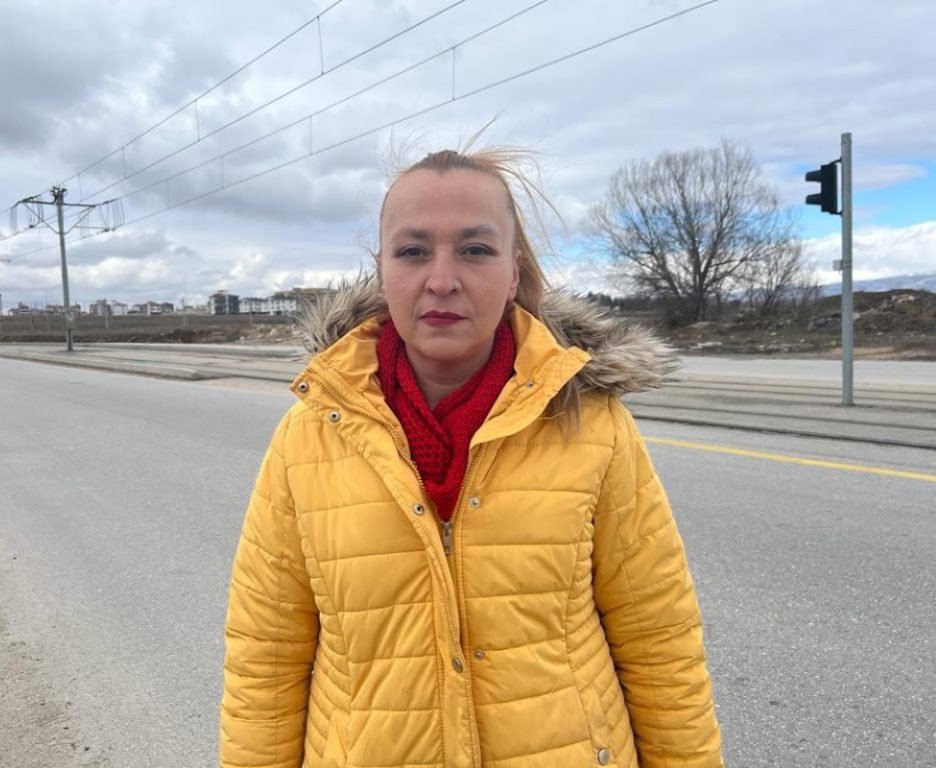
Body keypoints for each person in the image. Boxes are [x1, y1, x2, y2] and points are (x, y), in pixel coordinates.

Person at [221, 147, 724, 768]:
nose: (442, 280)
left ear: (513, 272)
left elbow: (659, 641)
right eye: (413, 251)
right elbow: (265, 657)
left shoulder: (594, 424)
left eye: (475, 250)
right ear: (382, 270)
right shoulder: (308, 435)